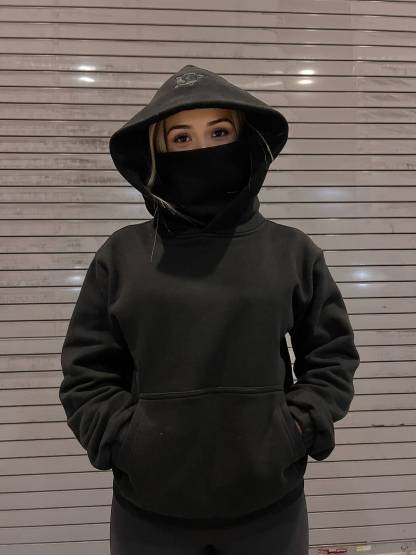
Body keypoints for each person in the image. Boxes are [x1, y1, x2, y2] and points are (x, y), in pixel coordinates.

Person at [59, 64, 360, 554]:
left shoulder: (292, 251)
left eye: (219, 132)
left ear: (245, 141)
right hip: (149, 517)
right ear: (157, 152)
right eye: (181, 138)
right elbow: (86, 373)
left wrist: (296, 428)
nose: (202, 149)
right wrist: (127, 440)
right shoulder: (122, 256)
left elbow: (332, 357)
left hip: (270, 511)